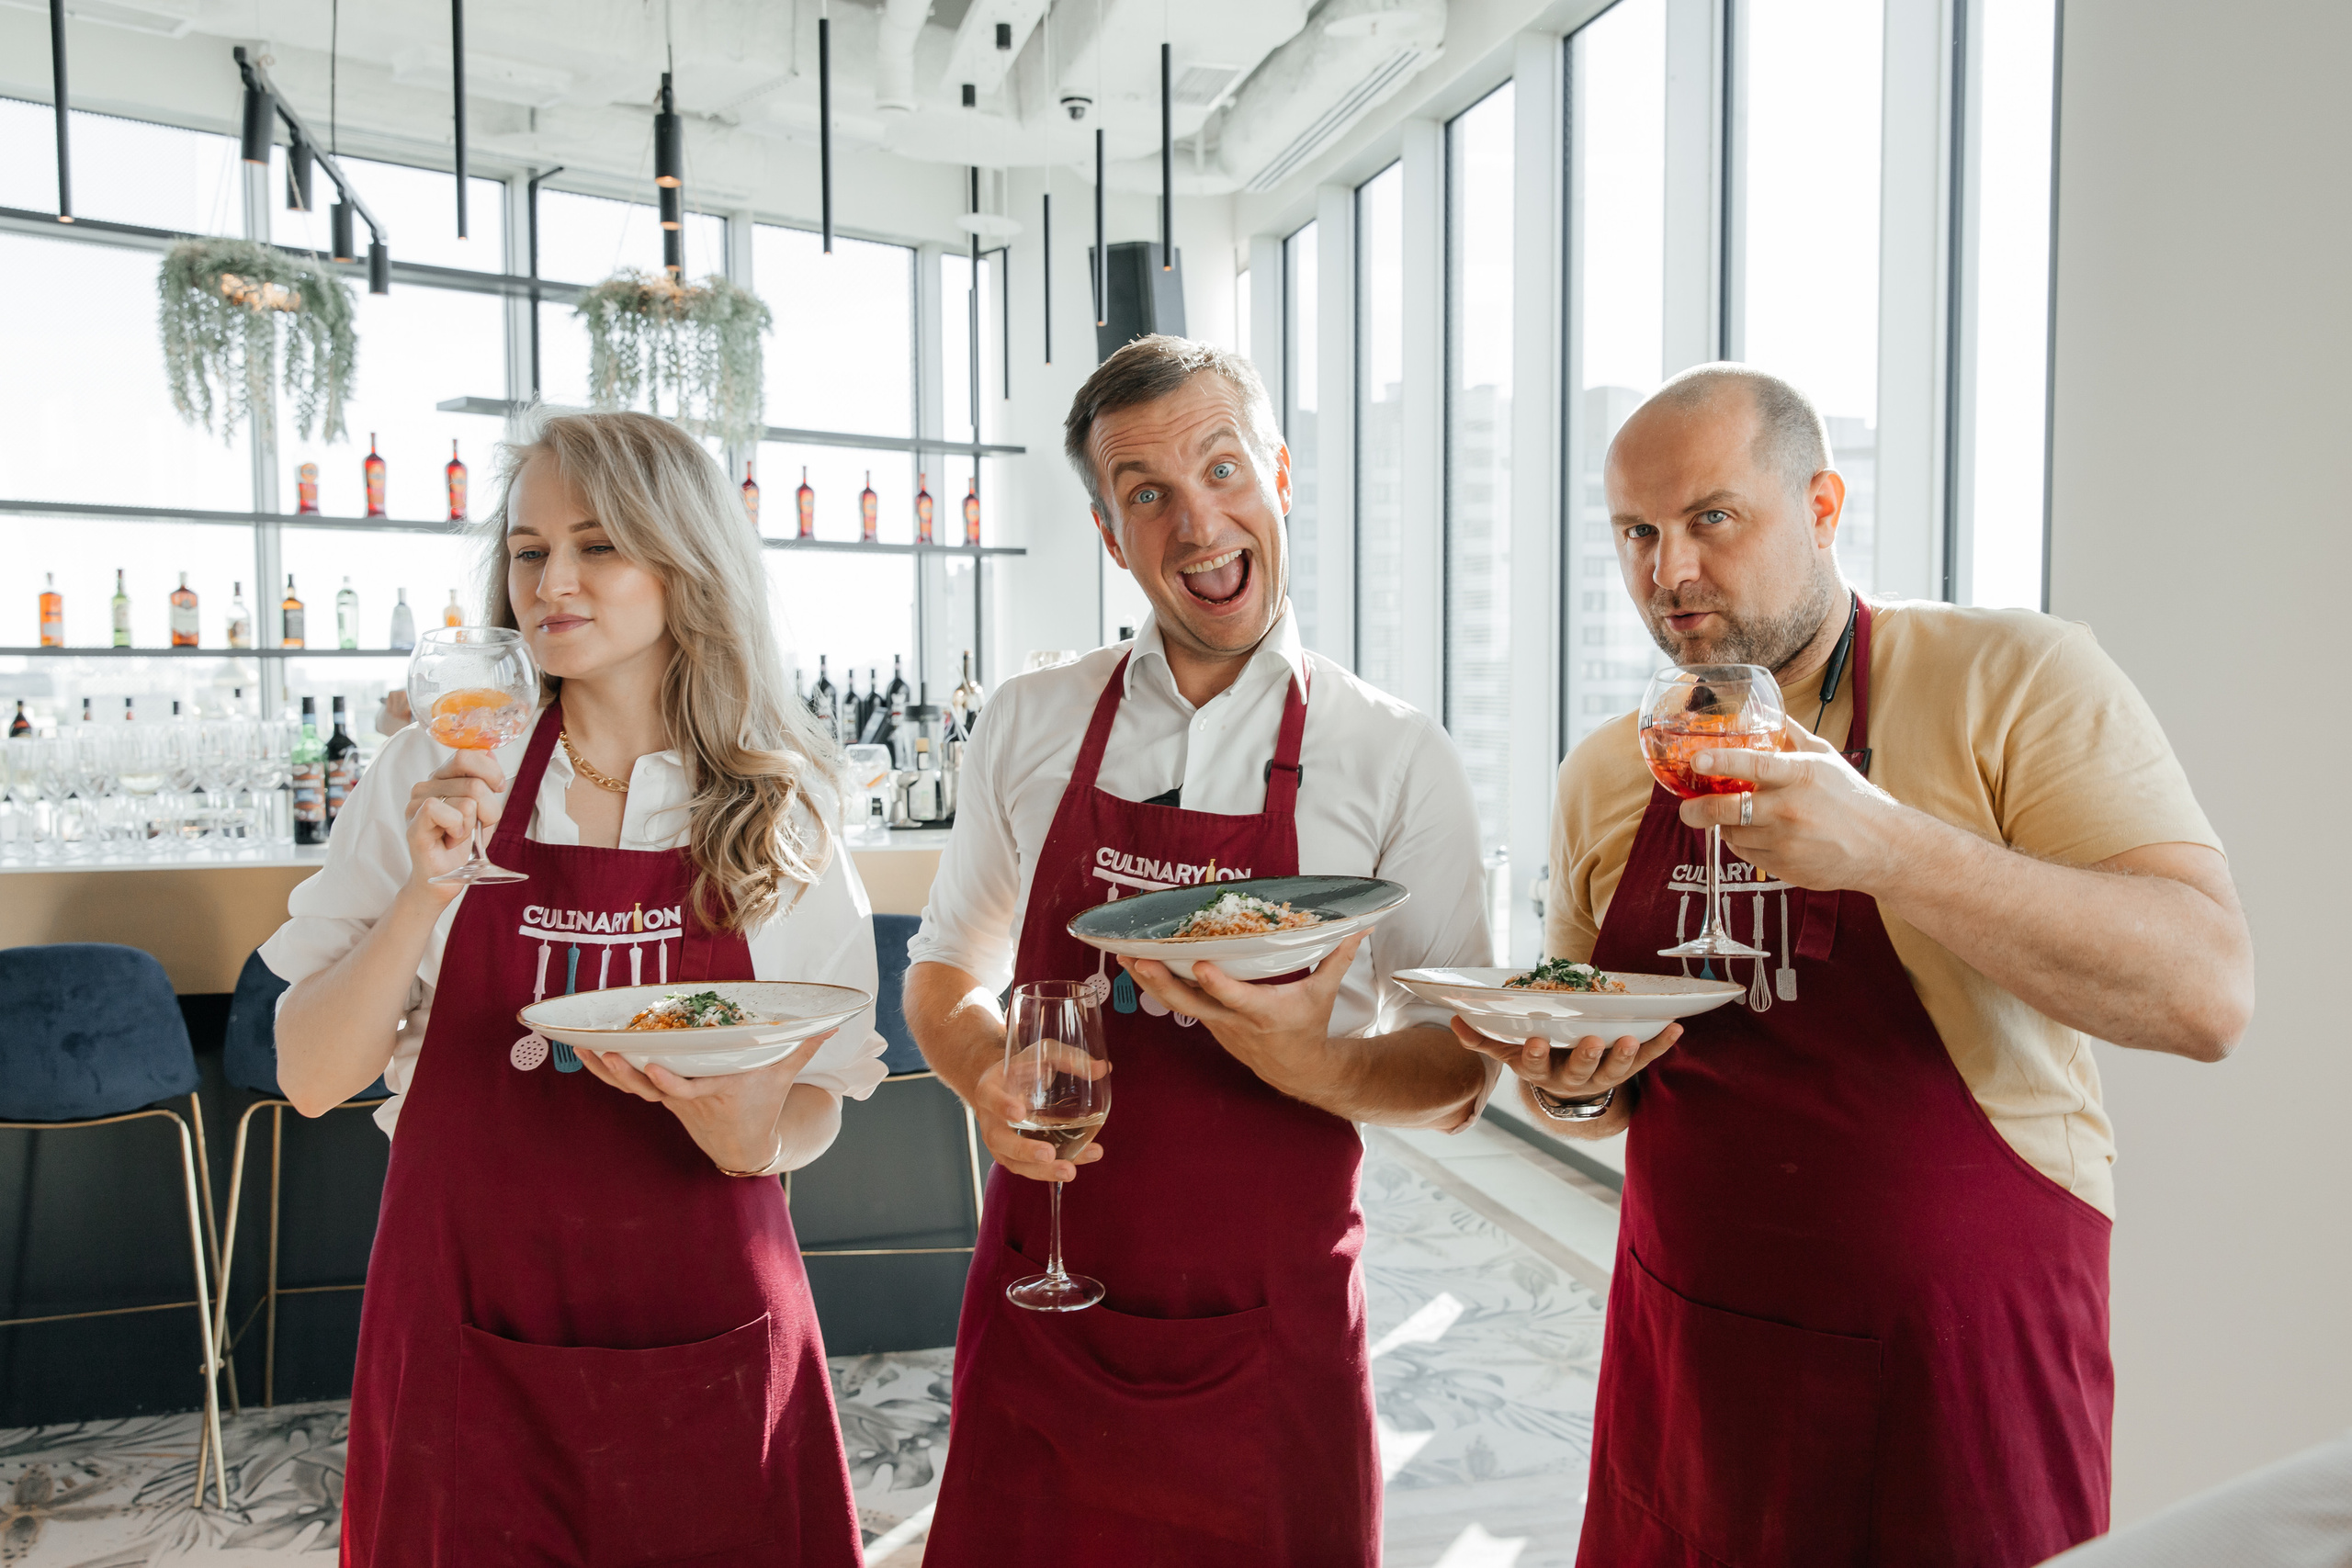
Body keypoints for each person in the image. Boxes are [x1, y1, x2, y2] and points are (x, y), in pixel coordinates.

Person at [1469, 365, 2256, 1568]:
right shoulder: (1609, 772)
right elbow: (1588, 1077)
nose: (1668, 572)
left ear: (1824, 503)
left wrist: (1891, 847)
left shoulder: (2015, 678)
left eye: (1712, 519)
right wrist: (1569, 1078)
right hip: (1691, 1364)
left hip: (1958, 1367)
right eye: (1638, 532)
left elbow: (2207, 991)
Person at [908, 334, 1498, 1567]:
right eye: (1147, 494)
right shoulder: (1030, 719)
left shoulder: (1393, 752)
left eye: (1224, 468)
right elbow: (944, 970)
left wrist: (1313, 1062)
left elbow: (1457, 1069)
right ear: (1108, 533)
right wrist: (982, 1074)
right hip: (1044, 1299)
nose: (1198, 522)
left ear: (1279, 471)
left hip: (1268, 1333)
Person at [261, 411, 883, 1566]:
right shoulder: (431, 774)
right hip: (464, 1316)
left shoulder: (770, 807)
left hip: (703, 1317)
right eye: (529, 548)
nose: (553, 581)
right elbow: (306, 1078)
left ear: (683, 563)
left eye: (598, 545)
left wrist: (756, 1136)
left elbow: (822, 1097)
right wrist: (422, 897)